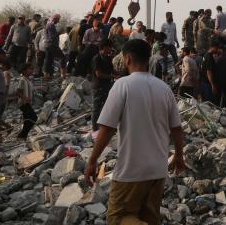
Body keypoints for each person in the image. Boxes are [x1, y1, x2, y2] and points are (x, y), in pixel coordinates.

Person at [83, 39, 185, 225]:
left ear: (128, 59)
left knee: (117, 218)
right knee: (150, 217)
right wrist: (179, 156)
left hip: (131, 170)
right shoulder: (164, 88)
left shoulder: (122, 85)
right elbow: (177, 129)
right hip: (158, 170)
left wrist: (92, 161)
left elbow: (107, 129)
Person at [90, 40, 115, 133]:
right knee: (96, 109)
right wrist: (113, 76)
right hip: (98, 87)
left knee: (106, 108)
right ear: (104, 47)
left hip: (107, 86)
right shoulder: (97, 58)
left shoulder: (108, 58)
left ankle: (104, 128)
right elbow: (99, 74)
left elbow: (113, 70)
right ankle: (95, 130)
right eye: (109, 47)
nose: (111, 49)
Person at [15, 63, 37, 139]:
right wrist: (25, 98)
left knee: (28, 119)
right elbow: (18, 91)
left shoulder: (28, 80)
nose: (31, 71)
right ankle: (22, 135)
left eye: (32, 69)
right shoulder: (22, 80)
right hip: (23, 103)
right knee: (33, 117)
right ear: (24, 70)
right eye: (29, 69)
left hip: (28, 103)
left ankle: (23, 136)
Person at [42, 14, 62, 79]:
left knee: (49, 59)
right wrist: (59, 33)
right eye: (58, 19)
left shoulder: (49, 24)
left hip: (49, 45)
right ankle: (62, 74)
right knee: (62, 57)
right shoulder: (51, 25)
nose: (58, 21)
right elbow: (51, 37)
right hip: (51, 45)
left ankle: (48, 74)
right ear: (55, 19)